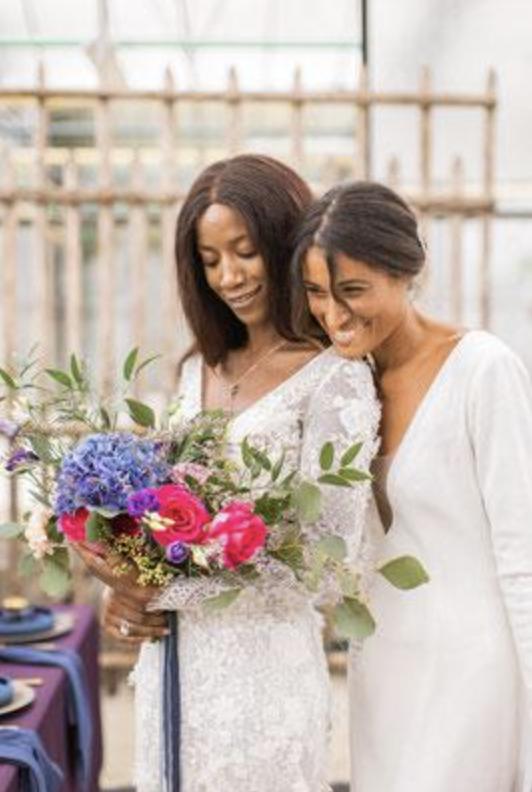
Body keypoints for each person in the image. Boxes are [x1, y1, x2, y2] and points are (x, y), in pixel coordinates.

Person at [77, 155, 380, 792]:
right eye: (210, 260)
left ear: (284, 242)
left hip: (262, 683)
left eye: (244, 251)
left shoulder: (335, 379)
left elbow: (325, 563)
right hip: (174, 668)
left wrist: (158, 590)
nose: (229, 276)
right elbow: (163, 520)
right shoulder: (200, 369)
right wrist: (122, 583)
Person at [293, 179, 532, 792]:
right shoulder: (344, 388)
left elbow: (523, 557)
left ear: (406, 271)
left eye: (352, 291)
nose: (333, 314)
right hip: (382, 671)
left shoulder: (484, 368)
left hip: (475, 674)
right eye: (318, 293)